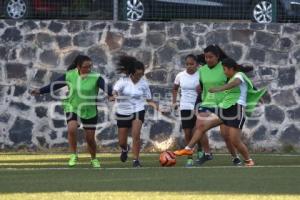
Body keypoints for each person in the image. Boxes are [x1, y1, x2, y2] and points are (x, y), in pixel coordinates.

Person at [174, 58, 266, 166]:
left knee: (235, 140)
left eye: (225, 69)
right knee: (202, 126)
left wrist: (219, 89)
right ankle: (188, 148)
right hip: (225, 109)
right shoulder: (231, 77)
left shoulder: (239, 75)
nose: (223, 72)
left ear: (231, 69)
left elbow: (236, 83)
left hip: (236, 111)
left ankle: (248, 160)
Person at [31, 55, 113, 168]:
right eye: (86, 67)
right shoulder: (70, 75)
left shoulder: (96, 77)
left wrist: (111, 94)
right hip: (72, 107)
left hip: (89, 110)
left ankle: (93, 158)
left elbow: (106, 87)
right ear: (78, 67)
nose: (89, 69)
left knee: (90, 139)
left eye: (90, 66)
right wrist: (40, 91)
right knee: (72, 129)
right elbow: (55, 85)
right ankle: (73, 154)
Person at [185, 45, 242, 165]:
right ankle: (207, 153)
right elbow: (202, 88)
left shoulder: (225, 68)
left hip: (224, 104)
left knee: (226, 135)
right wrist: (198, 100)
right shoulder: (202, 70)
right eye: (206, 57)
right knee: (199, 126)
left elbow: (235, 82)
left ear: (217, 57)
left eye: (211, 57)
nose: (208, 59)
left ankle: (235, 157)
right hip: (207, 103)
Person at [113, 55, 159, 168]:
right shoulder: (123, 81)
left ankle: (136, 160)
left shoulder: (144, 84)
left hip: (138, 110)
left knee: (136, 135)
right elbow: (115, 92)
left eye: (142, 74)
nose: (140, 76)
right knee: (122, 142)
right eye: (138, 74)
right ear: (132, 73)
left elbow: (149, 100)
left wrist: (159, 108)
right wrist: (113, 96)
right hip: (123, 112)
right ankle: (124, 149)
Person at [172, 54, 211, 167]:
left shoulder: (201, 75)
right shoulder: (180, 76)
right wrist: (174, 102)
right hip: (185, 106)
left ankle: (199, 149)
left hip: (198, 106)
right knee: (187, 133)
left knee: (197, 130)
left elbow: (207, 88)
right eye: (187, 64)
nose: (189, 66)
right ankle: (190, 156)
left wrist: (202, 90)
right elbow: (174, 89)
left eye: (192, 64)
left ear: (197, 64)